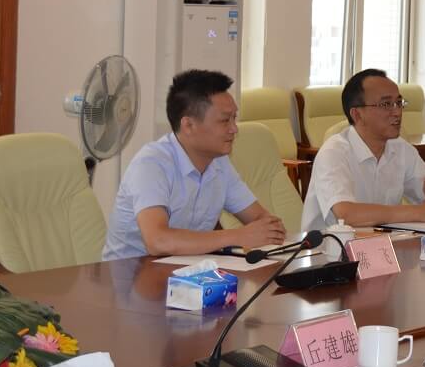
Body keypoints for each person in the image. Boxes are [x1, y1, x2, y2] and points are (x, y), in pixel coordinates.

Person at [102, 70, 287, 260]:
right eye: (225, 120)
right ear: (188, 125)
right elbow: (158, 241)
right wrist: (238, 236)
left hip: (186, 269)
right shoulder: (151, 164)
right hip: (130, 272)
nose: (234, 129)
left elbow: (266, 222)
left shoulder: (220, 163)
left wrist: (268, 230)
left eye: (234, 118)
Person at [301, 69, 425, 232]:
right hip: (330, 246)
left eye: (399, 103)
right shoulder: (333, 152)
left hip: (383, 243)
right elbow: (346, 214)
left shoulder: (401, 149)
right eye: (386, 104)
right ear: (357, 114)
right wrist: (418, 212)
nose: (397, 112)